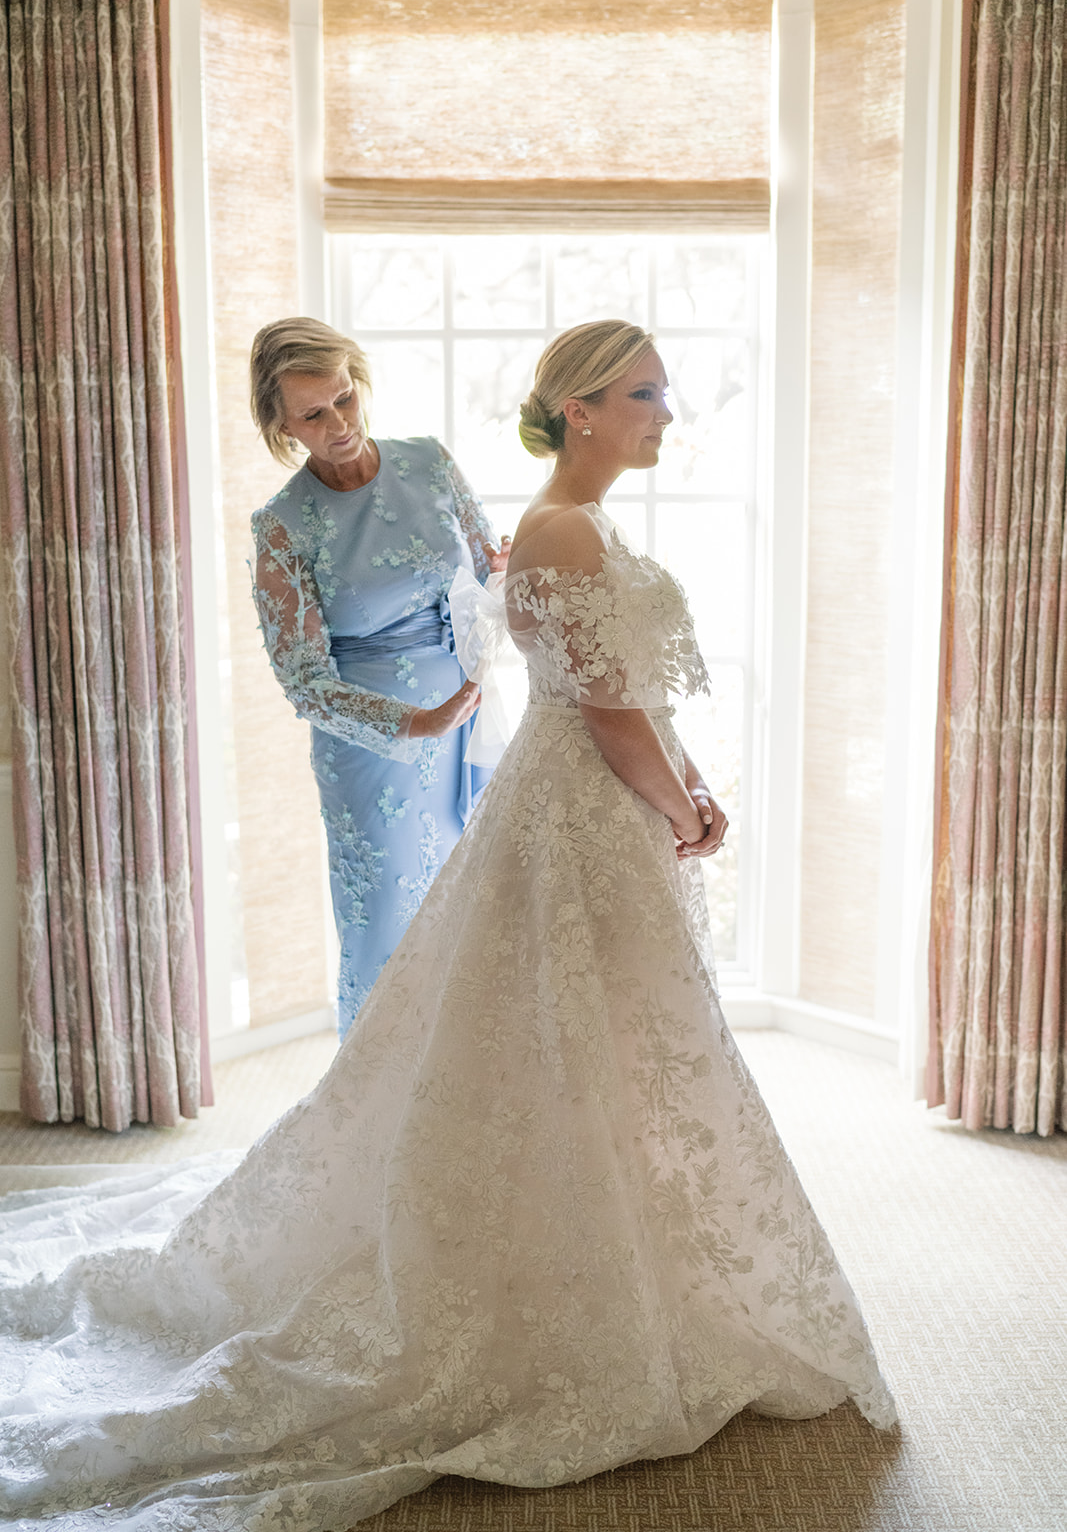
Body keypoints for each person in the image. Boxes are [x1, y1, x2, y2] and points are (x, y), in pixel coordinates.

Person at [0, 321, 895, 1531]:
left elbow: (518, 603)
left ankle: (602, 1230)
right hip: (402, 744)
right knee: (424, 960)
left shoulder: (463, 481)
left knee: (554, 1005)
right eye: (643, 394)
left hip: (512, 741)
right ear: (579, 407)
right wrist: (657, 790)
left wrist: (546, 716)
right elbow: (559, 697)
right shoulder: (316, 528)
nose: (337, 425)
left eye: (342, 400)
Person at [249, 317, 508, 1034]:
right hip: (374, 750)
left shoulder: (428, 461)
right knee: (386, 920)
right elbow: (302, 679)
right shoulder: (282, 525)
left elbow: (489, 569)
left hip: (471, 720)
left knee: (473, 907)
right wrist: (413, 723)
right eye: (312, 413)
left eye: (344, 399)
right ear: (281, 424)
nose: (337, 424)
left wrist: (512, 566)